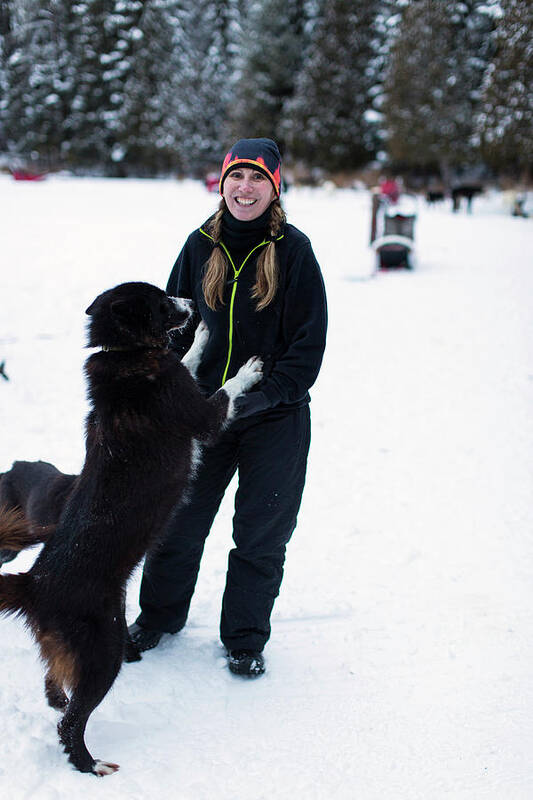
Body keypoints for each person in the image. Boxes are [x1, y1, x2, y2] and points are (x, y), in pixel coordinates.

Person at [128, 138, 327, 676]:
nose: (245, 188)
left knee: (261, 536)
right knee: (178, 525)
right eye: (236, 177)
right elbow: (172, 327)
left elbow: (306, 349)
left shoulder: (295, 251)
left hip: (275, 418)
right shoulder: (198, 246)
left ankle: (244, 639)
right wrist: (167, 393)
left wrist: (257, 399)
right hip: (200, 415)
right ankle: (158, 618)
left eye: (257, 179)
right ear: (223, 184)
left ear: (274, 188)